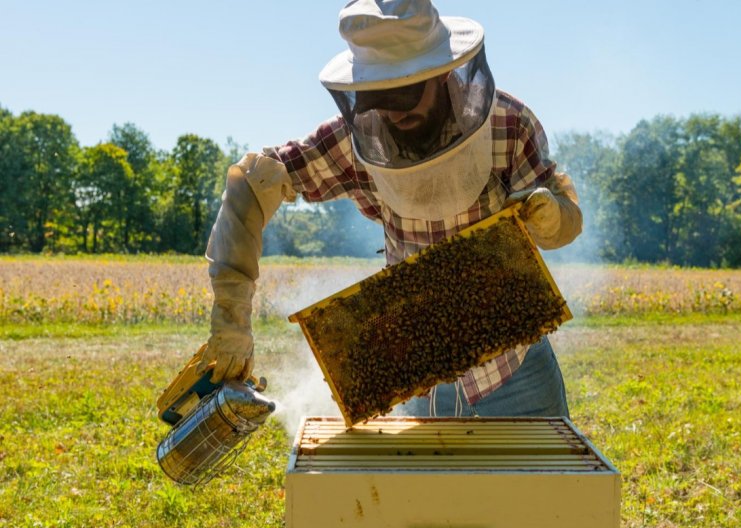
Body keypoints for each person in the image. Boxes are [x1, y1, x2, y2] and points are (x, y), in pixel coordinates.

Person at [195, 0, 582, 418]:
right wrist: (232, 315)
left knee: (545, 484)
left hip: (515, 370)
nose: (393, 113)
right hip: (418, 369)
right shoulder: (354, 138)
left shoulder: (509, 122)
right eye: (376, 98)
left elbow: (564, 221)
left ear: (442, 71)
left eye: (403, 94)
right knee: (421, 486)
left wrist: (552, 215)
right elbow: (255, 182)